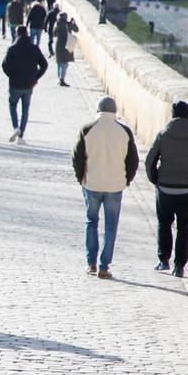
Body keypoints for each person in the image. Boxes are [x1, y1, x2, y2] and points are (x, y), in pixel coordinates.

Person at [72, 97, 139, 280]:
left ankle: (91, 263)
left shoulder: (87, 129)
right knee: (111, 227)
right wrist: (126, 180)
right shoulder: (124, 131)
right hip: (114, 186)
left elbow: (77, 157)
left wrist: (81, 178)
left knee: (91, 222)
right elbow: (133, 160)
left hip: (92, 183)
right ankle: (104, 266)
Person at [145, 101, 188, 277]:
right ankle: (179, 266)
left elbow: (149, 161)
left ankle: (163, 260)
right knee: (184, 228)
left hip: (165, 188)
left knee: (164, 224)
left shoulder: (163, 135)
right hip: (187, 189)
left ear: (173, 114)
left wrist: (155, 179)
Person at [0, 25, 48, 144]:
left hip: (15, 83)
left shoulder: (12, 49)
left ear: (17, 34)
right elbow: (44, 65)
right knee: (25, 110)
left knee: (12, 105)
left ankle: (16, 127)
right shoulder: (34, 48)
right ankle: (21, 136)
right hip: (28, 84)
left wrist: (11, 75)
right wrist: (35, 77)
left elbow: (4, 65)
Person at [52, 12, 78, 87]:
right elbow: (76, 30)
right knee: (65, 63)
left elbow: (54, 34)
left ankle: (60, 78)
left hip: (59, 44)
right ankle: (62, 79)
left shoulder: (57, 24)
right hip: (67, 44)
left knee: (59, 62)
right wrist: (73, 23)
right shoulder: (68, 24)